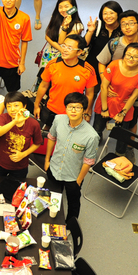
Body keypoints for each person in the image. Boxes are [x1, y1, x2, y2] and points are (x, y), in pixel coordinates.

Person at [96, 10, 138, 149]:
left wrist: (135, 89)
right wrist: (105, 83)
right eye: (123, 24)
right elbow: (102, 62)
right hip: (111, 89)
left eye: (131, 23)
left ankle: (128, 147)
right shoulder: (114, 43)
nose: (127, 27)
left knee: (131, 121)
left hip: (132, 92)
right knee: (100, 118)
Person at [43, 92, 99, 221]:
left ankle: (70, 226)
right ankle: (50, 221)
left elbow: (88, 161)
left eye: (78, 107)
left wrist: (78, 180)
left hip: (73, 177)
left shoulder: (92, 136)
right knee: (51, 197)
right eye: (70, 107)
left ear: (84, 110)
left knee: (73, 204)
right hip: (54, 168)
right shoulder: (58, 119)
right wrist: (47, 160)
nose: (73, 111)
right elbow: (51, 138)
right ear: (66, 108)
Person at [93, 43, 138, 157]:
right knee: (97, 129)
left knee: (122, 136)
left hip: (124, 106)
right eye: (128, 55)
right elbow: (104, 87)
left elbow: (134, 96)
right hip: (106, 102)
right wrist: (104, 109)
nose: (130, 58)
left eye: (135, 57)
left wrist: (122, 113)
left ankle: (119, 156)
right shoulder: (114, 65)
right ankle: (91, 149)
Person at [34, 34, 97, 128]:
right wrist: (36, 105)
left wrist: (86, 112)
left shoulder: (88, 70)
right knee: (48, 133)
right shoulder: (52, 64)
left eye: (69, 48)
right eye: (64, 46)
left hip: (73, 113)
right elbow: (43, 86)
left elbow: (89, 94)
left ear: (79, 52)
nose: (65, 49)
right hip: (51, 110)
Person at [0, 91, 43, 182]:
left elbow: (37, 143)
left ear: (24, 106)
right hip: (0, 162)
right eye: (9, 106)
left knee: (16, 188)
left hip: (20, 166)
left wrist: (23, 154)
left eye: (16, 105)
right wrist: (15, 121)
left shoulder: (33, 124)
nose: (12, 109)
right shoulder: (3, 118)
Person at [37, 0, 87, 71]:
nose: (63, 10)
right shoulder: (56, 18)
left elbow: (62, 41)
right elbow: (47, 36)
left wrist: (65, 27)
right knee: (44, 74)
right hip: (49, 53)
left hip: (64, 56)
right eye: (60, 7)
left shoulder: (78, 26)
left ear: (73, 8)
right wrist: (60, 49)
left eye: (66, 6)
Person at [84, 1, 123, 95]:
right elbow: (84, 44)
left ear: (118, 13)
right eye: (105, 13)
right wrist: (90, 31)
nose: (108, 16)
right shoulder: (97, 26)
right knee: (90, 96)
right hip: (93, 68)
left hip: (113, 71)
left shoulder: (123, 29)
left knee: (110, 96)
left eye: (111, 13)